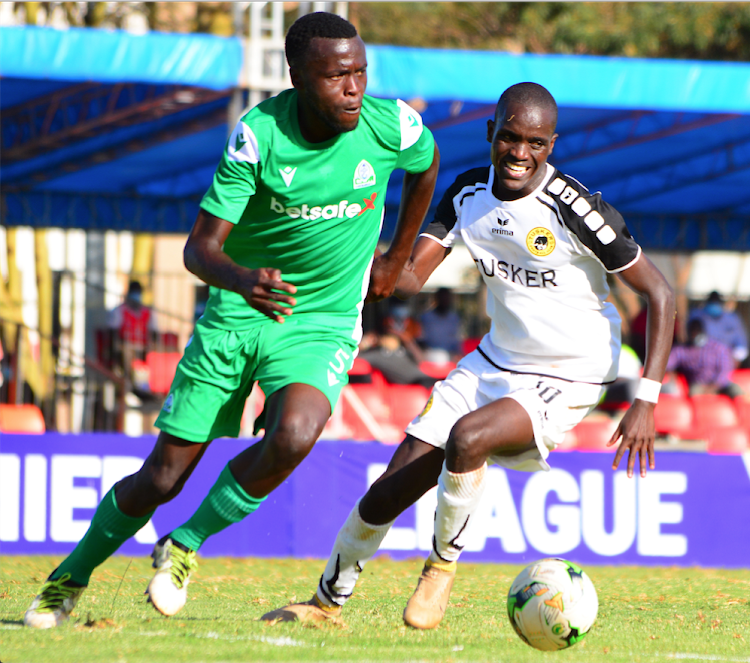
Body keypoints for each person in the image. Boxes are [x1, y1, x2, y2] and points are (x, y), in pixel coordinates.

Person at [24, 11, 439, 629]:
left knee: (296, 433)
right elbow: (199, 250)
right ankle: (68, 580)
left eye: (360, 72)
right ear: (297, 75)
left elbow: (426, 167)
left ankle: (184, 544)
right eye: (336, 76)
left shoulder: (390, 125)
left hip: (321, 321)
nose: (353, 88)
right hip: (236, 316)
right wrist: (245, 279)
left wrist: (398, 256)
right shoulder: (258, 134)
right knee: (160, 478)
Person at [260, 82, 675, 629]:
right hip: (494, 360)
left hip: (571, 373)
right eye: (508, 138)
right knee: (390, 488)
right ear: (491, 134)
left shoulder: (576, 209)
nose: (519, 154)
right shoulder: (467, 194)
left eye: (534, 143)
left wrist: (646, 399)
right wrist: (353, 254)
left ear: (551, 145)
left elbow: (662, 293)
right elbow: (407, 278)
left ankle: (441, 570)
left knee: (469, 438)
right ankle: (324, 605)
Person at [665, 317, 742, 397]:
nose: (695, 334)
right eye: (693, 331)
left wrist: (714, 387)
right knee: (695, 393)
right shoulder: (683, 350)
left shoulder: (718, 348)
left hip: (720, 385)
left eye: (697, 331)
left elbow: (725, 369)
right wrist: (672, 375)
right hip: (698, 385)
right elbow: (668, 363)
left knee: (736, 391)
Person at [107, 280, 158, 389]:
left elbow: (154, 332)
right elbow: (112, 331)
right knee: (127, 354)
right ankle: (129, 386)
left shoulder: (147, 312)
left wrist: (151, 346)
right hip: (127, 346)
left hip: (144, 347)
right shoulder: (120, 310)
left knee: (153, 357)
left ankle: (146, 388)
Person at [689, 291, 748, 366]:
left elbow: (741, 346)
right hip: (702, 363)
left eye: (716, 302)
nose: (714, 305)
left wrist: (733, 360)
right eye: (712, 302)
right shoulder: (697, 315)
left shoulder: (732, 318)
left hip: (727, 362)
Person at [419, 287, 462, 363]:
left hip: (451, 357)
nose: (444, 301)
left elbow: (456, 341)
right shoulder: (426, 317)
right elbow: (421, 339)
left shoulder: (454, 318)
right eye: (442, 298)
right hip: (430, 355)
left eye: (446, 298)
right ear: (436, 298)